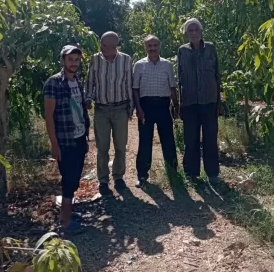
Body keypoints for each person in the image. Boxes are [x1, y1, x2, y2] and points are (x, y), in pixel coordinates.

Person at [44, 45, 89, 230]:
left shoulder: (77, 81)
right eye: (70, 59)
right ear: (62, 60)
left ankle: (67, 210)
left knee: (76, 175)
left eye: (77, 60)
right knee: (69, 178)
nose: (74, 63)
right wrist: (54, 144)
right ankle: (65, 220)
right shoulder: (53, 82)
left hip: (79, 137)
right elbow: (49, 116)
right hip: (65, 140)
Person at [85, 31, 133, 196]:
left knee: (120, 146)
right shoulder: (95, 59)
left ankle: (118, 177)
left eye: (105, 45)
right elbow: (90, 81)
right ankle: (103, 181)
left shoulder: (126, 60)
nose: (101, 47)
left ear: (114, 47)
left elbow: (128, 84)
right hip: (102, 109)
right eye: (101, 44)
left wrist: (131, 107)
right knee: (102, 147)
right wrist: (88, 98)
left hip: (120, 108)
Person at [178, 18, 221, 184]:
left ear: (201, 32)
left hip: (209, 101)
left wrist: (219, 101)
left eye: (196, 30)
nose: (194, 33)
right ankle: (192, 173)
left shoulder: (210, 48)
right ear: (186, 33)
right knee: (191, 138)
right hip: (189, 102)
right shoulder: (182, 51)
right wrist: (180, 103)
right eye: (190, 30)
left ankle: (213, 174)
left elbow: (217, 75)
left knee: (210, 138)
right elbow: (180, 77)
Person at [133, 35, 178, 187]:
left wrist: (176, 106)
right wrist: (138, 108)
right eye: (149, 46)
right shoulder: (139, 65)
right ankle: (142, 175)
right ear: (145, 47)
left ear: (159, 46)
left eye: (155, 45)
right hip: (145, 107)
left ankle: (173, 171)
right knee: (145, 141)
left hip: (163, 106)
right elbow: (135, 89)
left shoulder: (167, 65)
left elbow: (172, 87)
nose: (152, 48)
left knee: (168, 139)